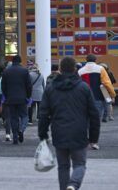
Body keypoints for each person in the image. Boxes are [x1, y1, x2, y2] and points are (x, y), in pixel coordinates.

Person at [38, 56, 100, 190]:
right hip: (79, 133)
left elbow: (43, 114)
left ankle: (65, 187)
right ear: (75, 68)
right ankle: (73, 184)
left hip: (59, 132)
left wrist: (43, 134)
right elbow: (94, 114)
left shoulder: (51, 88)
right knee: (79, 164)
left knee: (63, 166)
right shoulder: (84, 88)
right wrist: (93, 138)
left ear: (60, 69)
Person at [78, 54, 115, 149]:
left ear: (86, 60)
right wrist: (112, 94)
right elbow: (107, 83)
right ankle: (93, 142)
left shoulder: (80, 71)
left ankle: (84, 140)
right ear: (95, 60)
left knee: (85, 120)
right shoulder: (100, 69)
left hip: (83, 99)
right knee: (95, 121)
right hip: (98, 98)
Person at [1, 55, 32, 144]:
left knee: (13, 118)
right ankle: (21, 130)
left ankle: (15, 138)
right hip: (22, 98)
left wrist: (7, 96)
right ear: (20, 61)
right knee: (24, 116)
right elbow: (29, 85)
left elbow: (3, 86)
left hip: (11, 99)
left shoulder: (6, 71)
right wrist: (28, 96)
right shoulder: (25, 71)